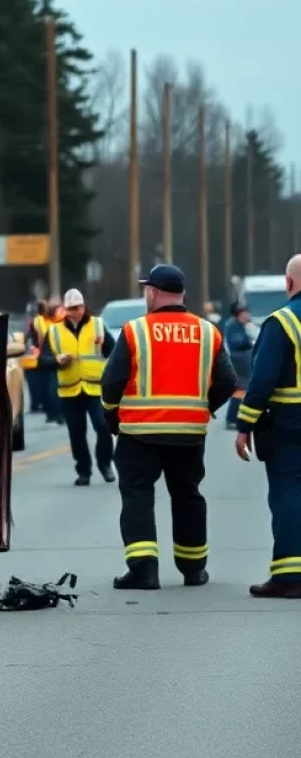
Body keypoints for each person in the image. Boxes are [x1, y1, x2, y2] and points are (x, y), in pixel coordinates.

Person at [101, 264, 236, 590]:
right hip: (189, 434)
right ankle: (193, 569)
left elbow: (111, 382)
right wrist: (203, 408)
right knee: (188, 496)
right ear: (182, 294)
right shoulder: (208, 332)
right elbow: (228, 381)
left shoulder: (135, 331)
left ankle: (144, 571)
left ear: (152, 292)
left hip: (139, 434)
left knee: (137, 495)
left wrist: (112, 418)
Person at [234, 254, 301, 598]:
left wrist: (244, 424)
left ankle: (290, 575)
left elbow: (262, 381)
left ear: (289, 283)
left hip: (291, 421)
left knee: (289, 492)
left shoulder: (283, 322)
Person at [38, 288, 115, 485]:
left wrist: (104, 343)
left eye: (79, 307)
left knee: (103, 427)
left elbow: (112, 352)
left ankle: (105, 464)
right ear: (65, 309)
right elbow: (43, 360)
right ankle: (83, 471)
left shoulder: (98, 325)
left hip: (95, 388)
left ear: (84, 306)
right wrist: (57, 359)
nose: (76, 312)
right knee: (76, 433)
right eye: (71, 308)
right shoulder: (55, 332)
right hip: (70, 389)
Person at [223, 302, 253, 429]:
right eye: (244, 312)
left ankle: (234, 417)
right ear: (238, 314)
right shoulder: (233, 326)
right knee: (240, 390)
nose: (247, 314)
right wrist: (248, 340)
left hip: (243, 361)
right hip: (238, 361)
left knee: (242, 390)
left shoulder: (239, 325)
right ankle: (231, 418)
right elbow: (237, 343)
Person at [24, 301, 49, 413]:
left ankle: (37, 404)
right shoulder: (38, 321)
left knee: (37, 384)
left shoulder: (35, 321)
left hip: (36, 359)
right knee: (39, 384)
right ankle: (39, 404)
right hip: (35, 359)